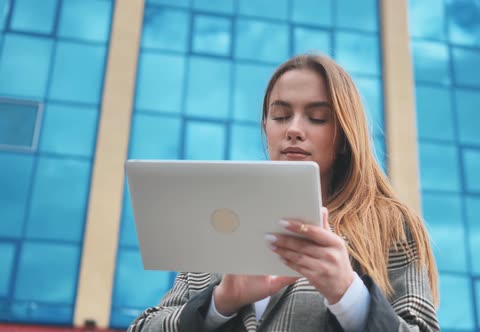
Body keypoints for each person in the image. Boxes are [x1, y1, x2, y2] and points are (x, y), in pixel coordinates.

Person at [127, 54, 440, 332]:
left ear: (344, 136)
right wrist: (220, 303)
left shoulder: (388, 225)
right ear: (266, 126)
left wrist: (349, 296)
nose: (294, 129)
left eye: (317, 117)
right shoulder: (219, 225)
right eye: (280, 115)